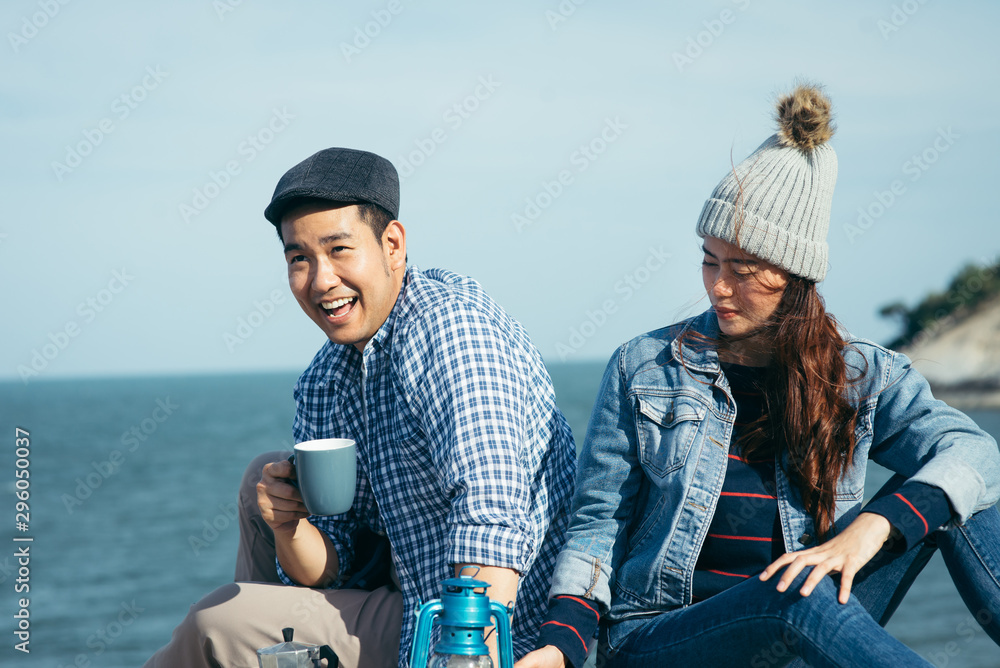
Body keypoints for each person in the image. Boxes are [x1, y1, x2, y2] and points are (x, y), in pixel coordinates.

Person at [516, 85, 1000, 667]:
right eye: (708, 260)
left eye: (741, 269)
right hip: (663, 638)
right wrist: (561, 647)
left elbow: (975, 451)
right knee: (792, 595)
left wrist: (874, 523)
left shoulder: (861, 375)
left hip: (805, 623)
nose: (717, 286)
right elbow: (597, 525)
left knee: (962, 496)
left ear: (794, 275)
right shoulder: (642, 368)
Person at [144, 148, 577, 668]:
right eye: (299, 257)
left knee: (215, 624)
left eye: (339, 249)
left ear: (392, 245)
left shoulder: (450, 333)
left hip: (481, 629)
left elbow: (491, 519)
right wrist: (289, 527)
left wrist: (468, 657)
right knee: (261, 479)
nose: (321, 279)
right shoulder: (328, 376)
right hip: (405, 598)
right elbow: (330, 564)